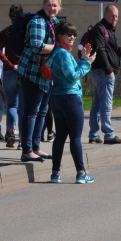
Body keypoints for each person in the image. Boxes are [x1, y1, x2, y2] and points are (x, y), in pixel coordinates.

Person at [46, 22, 95, 183]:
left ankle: (55, 173)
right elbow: (72, 76)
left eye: (74, 34)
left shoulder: (56, 52)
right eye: (68, 34)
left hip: (57, 98)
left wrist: (84, 60)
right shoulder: (63, 54)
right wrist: (87, 63)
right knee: (75, 137)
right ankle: (81, 173)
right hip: (70, 98)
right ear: (60, 35)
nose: (72, 37)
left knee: (60, 136)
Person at [18, 0, 60, 162]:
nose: (52, 8)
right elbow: (37, 46)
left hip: (46, 74)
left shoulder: (54, 23)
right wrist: (57, 47)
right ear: (43, 6)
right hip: (31, 73)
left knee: (42, 111)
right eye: (49, 5)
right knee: (31, 112)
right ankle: (27, 150)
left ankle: (36, 147)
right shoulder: (38, 22)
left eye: (55, 5)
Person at [87, 4, 121, 145]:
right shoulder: (100, 29)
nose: (114, 18)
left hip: (101, 72)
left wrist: (119, 50)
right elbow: (101, 51)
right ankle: (109, 134)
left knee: (97, 104)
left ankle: (93, 134)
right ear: (105, 15)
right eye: (112, 15)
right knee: (106, 104)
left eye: (116, 16)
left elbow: (109, 49)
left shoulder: (109, 30)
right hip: (103, 72)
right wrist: (109, 70)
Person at [0, 5, 23, 148]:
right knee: (24, 107)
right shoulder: (25, 33)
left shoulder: (4, 33)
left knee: (11, 104)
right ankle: (23, 140)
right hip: (24, 72)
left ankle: (11, 132)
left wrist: (10, 64)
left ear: (9, 17)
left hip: (8, 72)